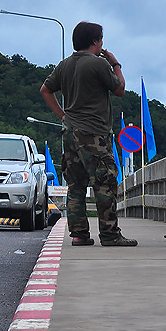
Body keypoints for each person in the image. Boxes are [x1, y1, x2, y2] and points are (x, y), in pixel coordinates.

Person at [40, 21, 137, 247]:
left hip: (70, 132)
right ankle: (110, 234)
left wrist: (63, 115)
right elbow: (120, 89)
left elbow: (45, 90)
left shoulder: (64, 65)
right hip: (94, 134)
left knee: (76, 185)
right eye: (101, 39)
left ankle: (79, 234)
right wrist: (115, 63)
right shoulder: (98, 64)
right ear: (96, 41)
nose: (102, 43)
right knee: (104, 183)